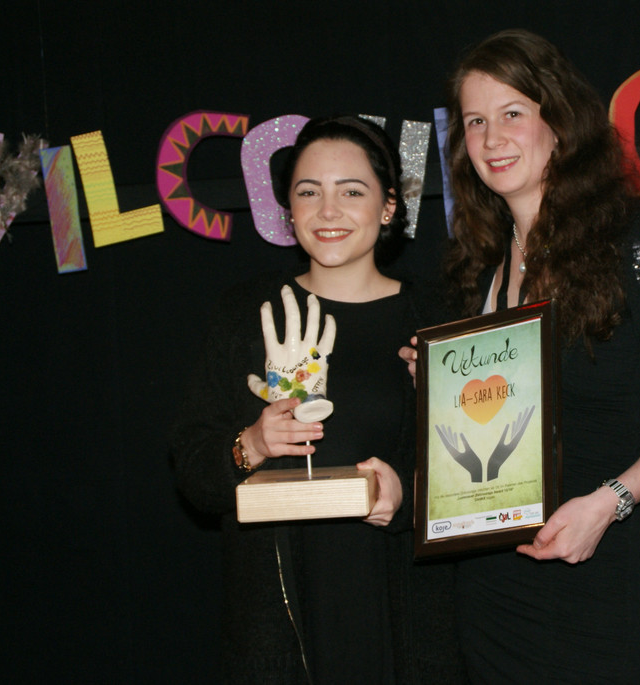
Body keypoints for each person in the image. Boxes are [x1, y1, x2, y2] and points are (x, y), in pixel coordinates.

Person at [402, 30, 640, 683]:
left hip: (598, 580)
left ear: (559, 122)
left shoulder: (630, 246)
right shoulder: (474, 272)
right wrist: (439, 390)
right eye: (475, 121)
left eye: (512, 113)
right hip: (491, 594)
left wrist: (609, 503)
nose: (492, 138)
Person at [171, 116, 461, 684]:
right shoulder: (245, 316)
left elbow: (486, 485)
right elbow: (193, 474)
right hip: (281, 638)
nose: (328, 211)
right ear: (289, 209)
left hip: (405, 627)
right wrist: (251, 445)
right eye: (309, 192)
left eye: (351, 192)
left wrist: (408, 496)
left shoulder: (440, 318)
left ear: (388, 206)